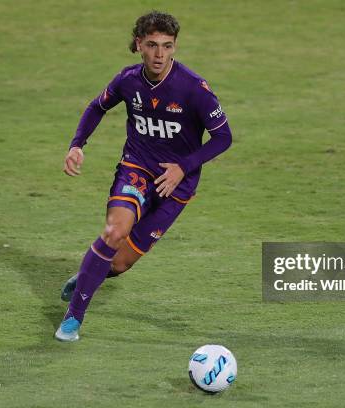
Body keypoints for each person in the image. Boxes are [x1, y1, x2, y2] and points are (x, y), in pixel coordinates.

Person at [55, 11, 232, 341]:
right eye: (152, 45)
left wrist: (183, 167)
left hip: (177, 185)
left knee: (119, 264)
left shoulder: (194, 89)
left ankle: (85, 277)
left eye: (167, 46)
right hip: (136, 169)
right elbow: (97, 107)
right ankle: (73, 318)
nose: (159, 54)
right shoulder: (128, 80)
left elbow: (224, 137)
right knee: (114, 231)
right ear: (139, 45)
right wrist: (77, 145)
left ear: (175, 47)